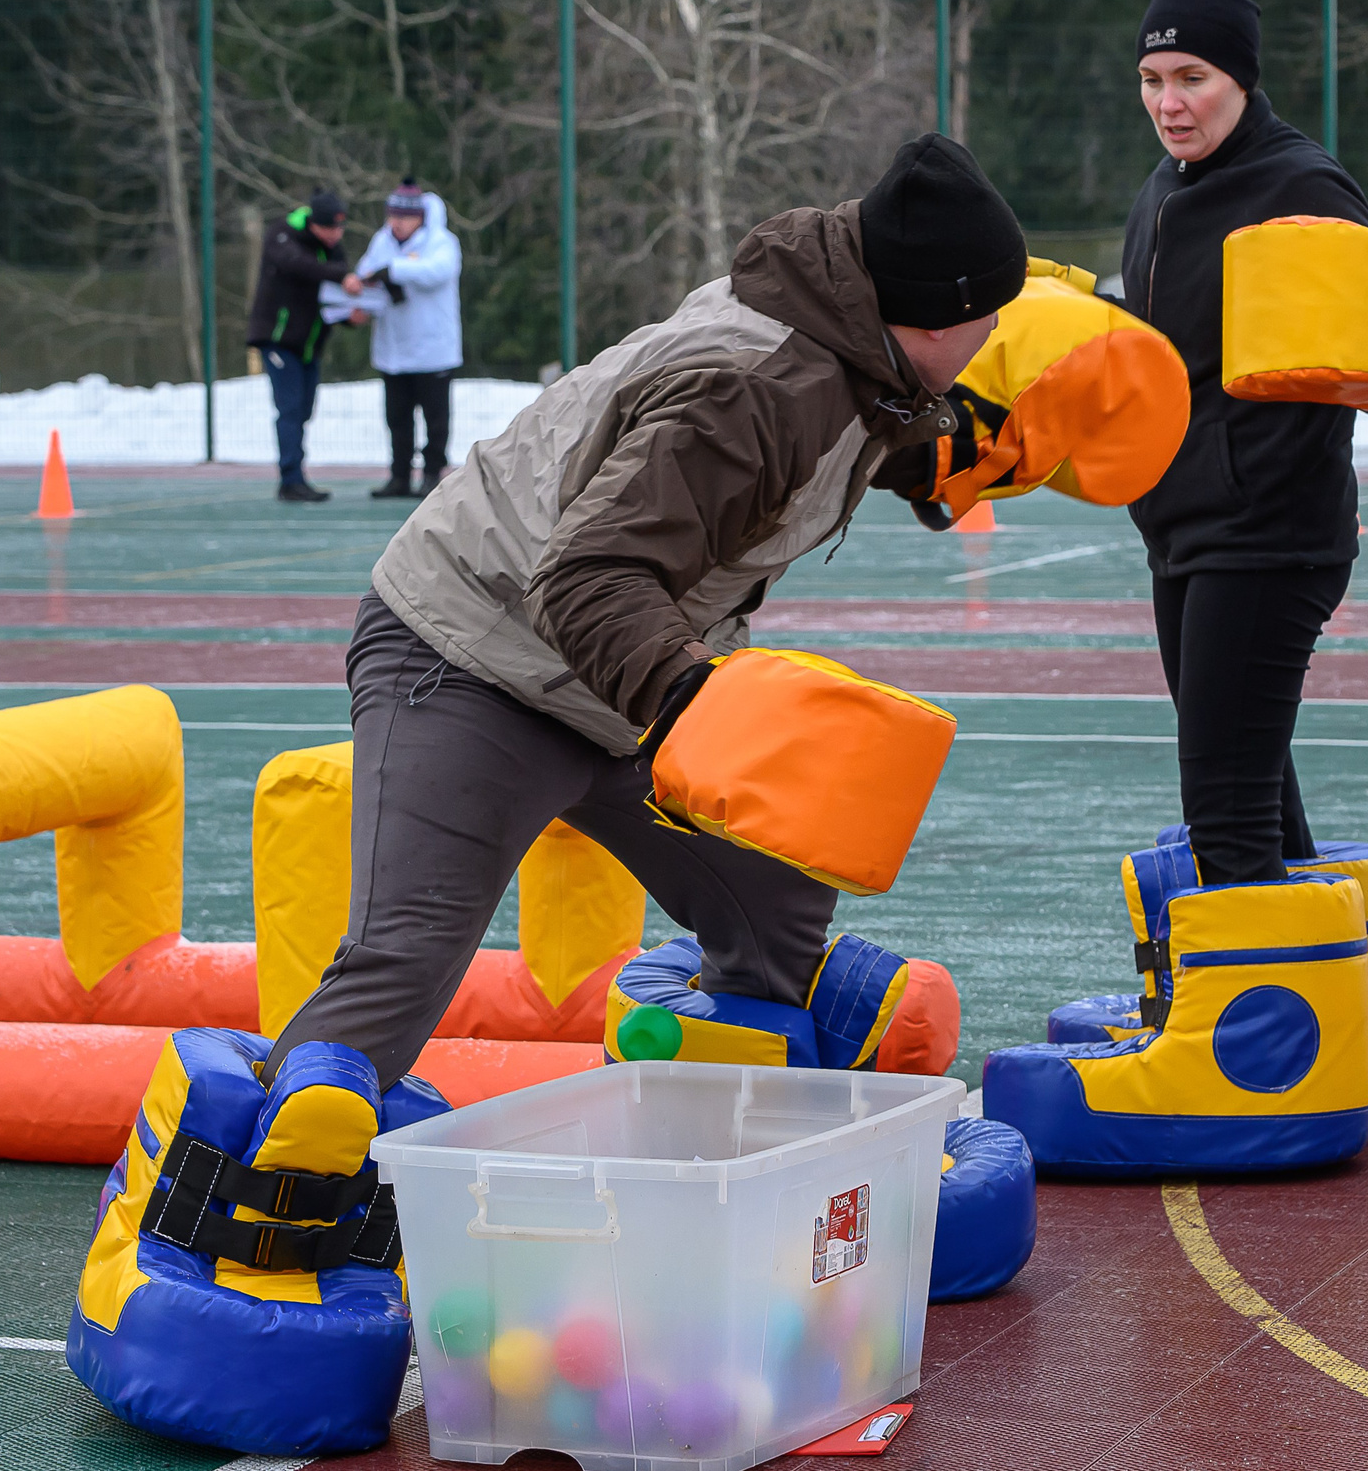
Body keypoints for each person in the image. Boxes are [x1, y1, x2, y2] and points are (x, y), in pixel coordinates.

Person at [262, 134, 1027, 1088]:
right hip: (473, 652)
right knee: (402, 959)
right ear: (938, 317)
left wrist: (933, 448)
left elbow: (829, 422)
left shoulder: (838, 310)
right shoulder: (754, 389)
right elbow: (590, 576)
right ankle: (260, 1165)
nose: (998, 330)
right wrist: (697, 704)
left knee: (778, 907)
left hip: (613, 669)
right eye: (990, 314)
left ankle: (745, 1118)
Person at [1117, 0, 1368, 886]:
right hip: (1180, 533)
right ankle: (1321, 972)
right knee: (1252, 797)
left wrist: (1239, 482)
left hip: (1267, 538)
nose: (1169, 104)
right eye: (1153, 81)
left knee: (1224, 812)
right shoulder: (1162, 189)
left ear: (1242, 80)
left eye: (1193, 79)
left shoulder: (1302, 185)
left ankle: (1252, 986)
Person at [246, 188, 364, 503]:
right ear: (313, 223)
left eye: (340, 228)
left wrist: (349, 317)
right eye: (329, 228)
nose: (336, 235)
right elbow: (298, 265)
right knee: (290, 408)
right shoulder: (282, 235)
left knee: (304, 410)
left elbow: (330, 299)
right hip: (278, 341)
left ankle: (296, 476)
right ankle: (291, 480)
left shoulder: (333, 251)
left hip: (309, 345)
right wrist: (342, 277)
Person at [356, 176, 464, 499]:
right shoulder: (382, 240)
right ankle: (399, 475)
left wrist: (393, 270)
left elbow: (436, 272)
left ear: (420, 217)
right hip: (393, 350)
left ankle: (432, 474)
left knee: (436, 421)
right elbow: (365, 271)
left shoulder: (442, 242)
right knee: (397, 419)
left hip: (433, 350)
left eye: (404, 217)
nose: (397, 223)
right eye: (393, 215)